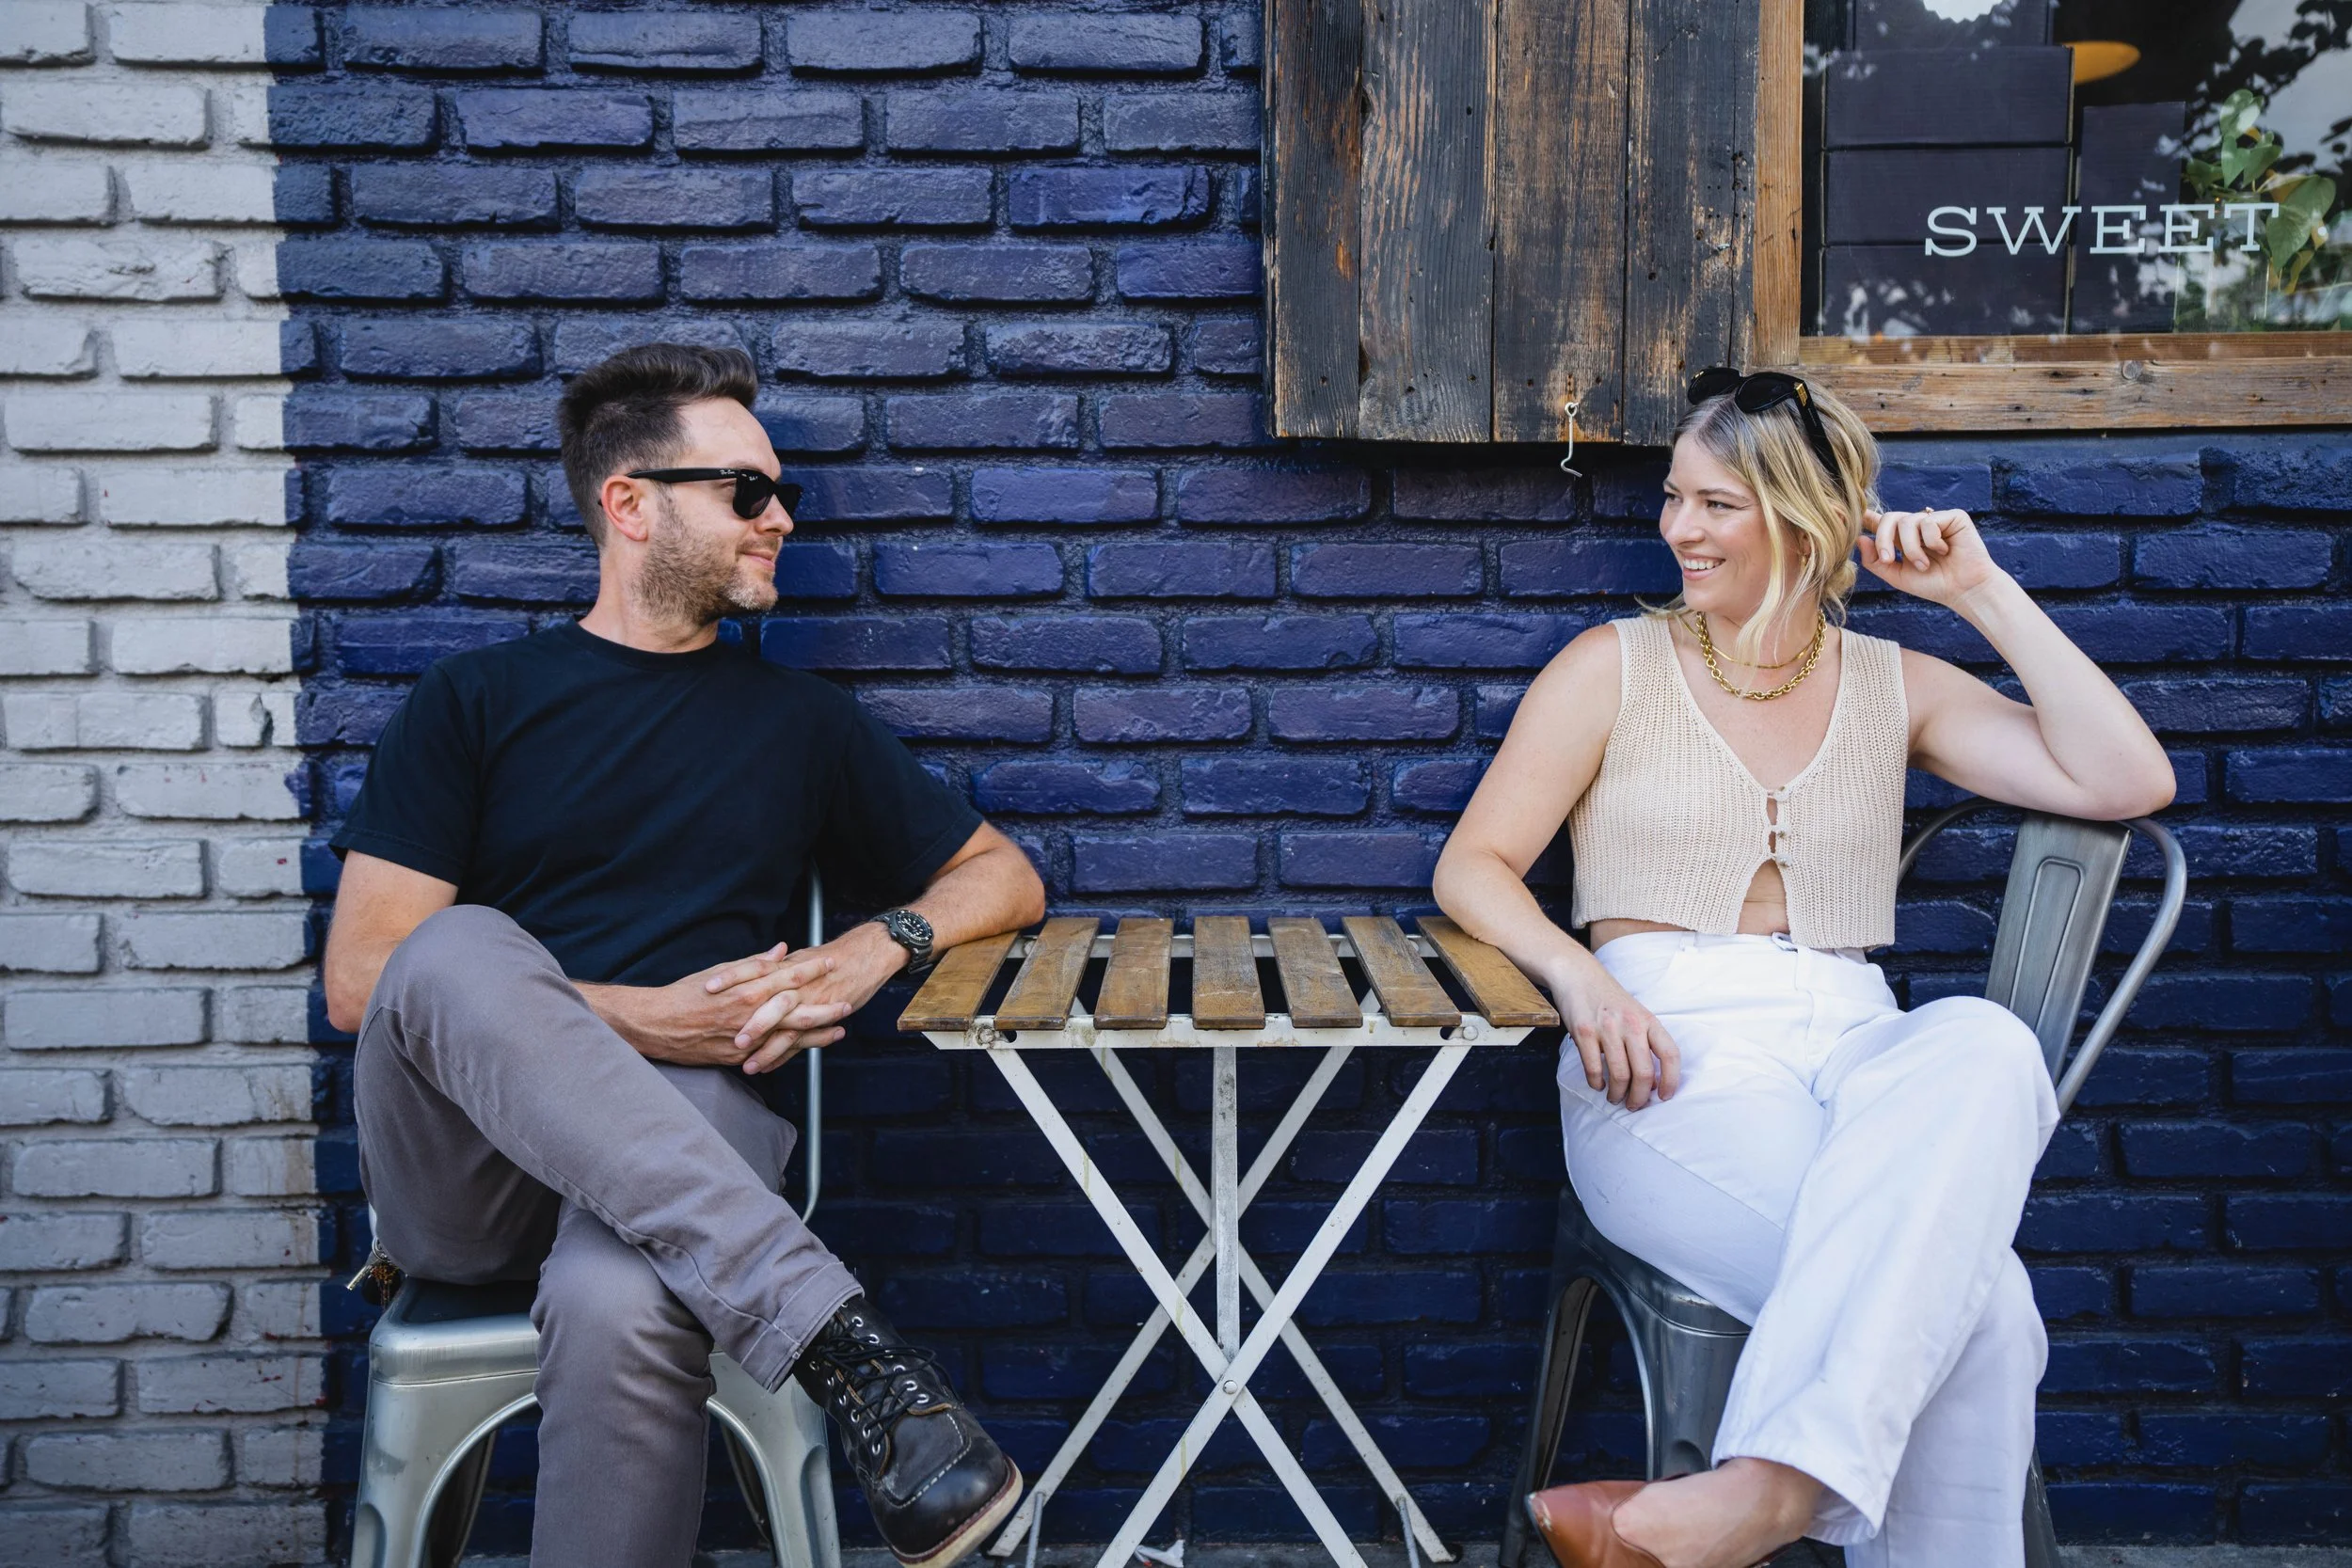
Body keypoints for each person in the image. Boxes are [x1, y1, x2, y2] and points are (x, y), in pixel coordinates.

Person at [1432, 369, 2174, 1568]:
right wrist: (1581, 978)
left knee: (1985, 1041)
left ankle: (1765, 1495)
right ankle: (1776, 1494)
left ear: (1805, 518)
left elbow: (2125, 780)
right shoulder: (1613, 666)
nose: (1677, 528)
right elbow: (1474, 866)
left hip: (1855, 1034)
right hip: (1671, 1055)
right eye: (1673, 497)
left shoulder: (1895, 685)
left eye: (1715, 504)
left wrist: (1979, 591)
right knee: (1984, 1312)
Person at [324, 344, 1045, 1568]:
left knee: (622, 1296)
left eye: (783, 493)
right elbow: (364, 979)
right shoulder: (475, 700)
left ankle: (826, 1338)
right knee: (451, 946)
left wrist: (875, 946)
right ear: (630, 502)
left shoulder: (799, 723)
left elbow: (1006, 874)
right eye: (747, 491)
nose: (782, 519)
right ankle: (841, 1340)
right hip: (473, 1174)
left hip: (694, 1136)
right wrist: (649, 1017)